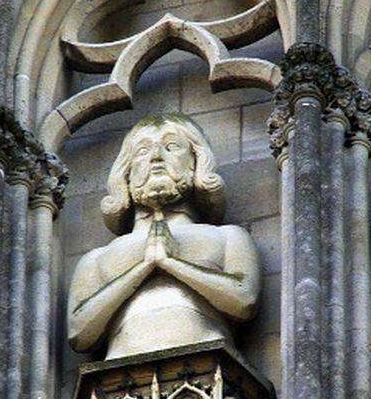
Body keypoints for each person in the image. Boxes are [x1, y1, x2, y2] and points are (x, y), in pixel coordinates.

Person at [67, 113, 260, 359]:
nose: (157, 157)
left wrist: (171, 263)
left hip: (209, 369)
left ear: (196, 163)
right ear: (126, 172)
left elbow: (244, 300)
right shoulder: (97, 258)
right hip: (121, 378)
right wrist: (145, 266)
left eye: (172, 147)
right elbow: (79, 333)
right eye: (142, 151)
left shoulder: (227, 237)